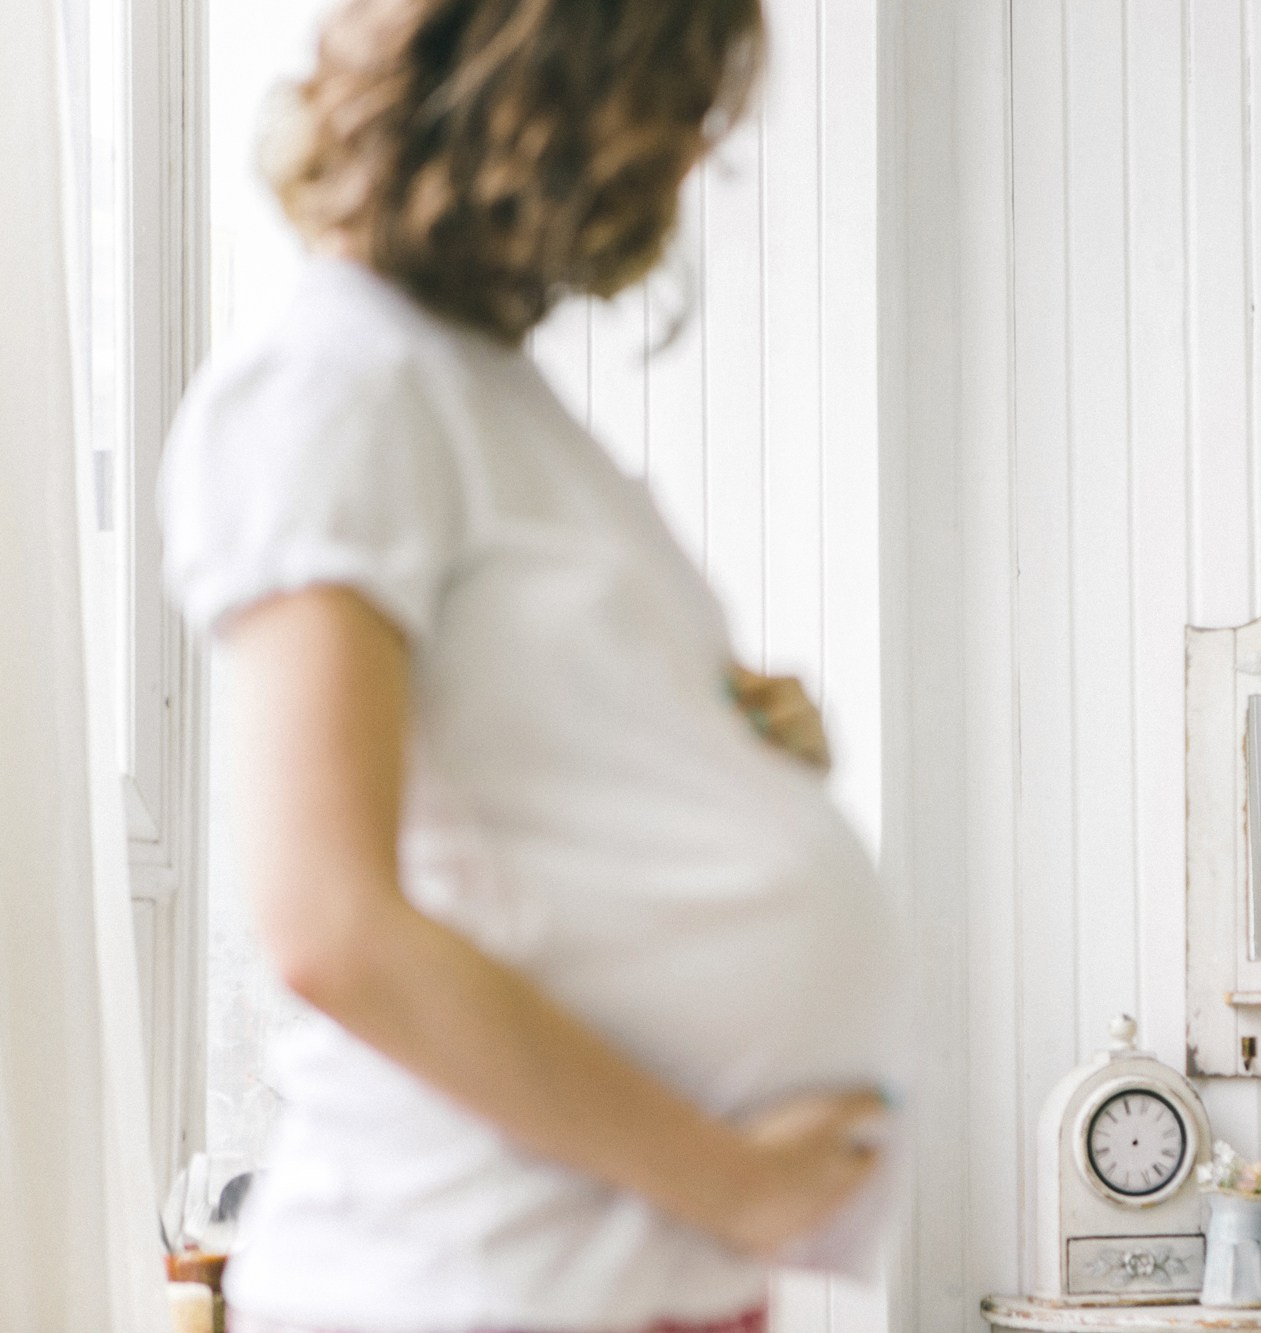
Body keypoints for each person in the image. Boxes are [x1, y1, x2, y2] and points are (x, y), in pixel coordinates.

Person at [159, 3, 902, 1330]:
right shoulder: (335, 388)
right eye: (674, 107)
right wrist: (733, 1187)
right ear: (542, 95)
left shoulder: (483, 392)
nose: (690, 162)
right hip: (467, 1281)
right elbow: (333, 924)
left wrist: (730, 748)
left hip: (610, 1285)